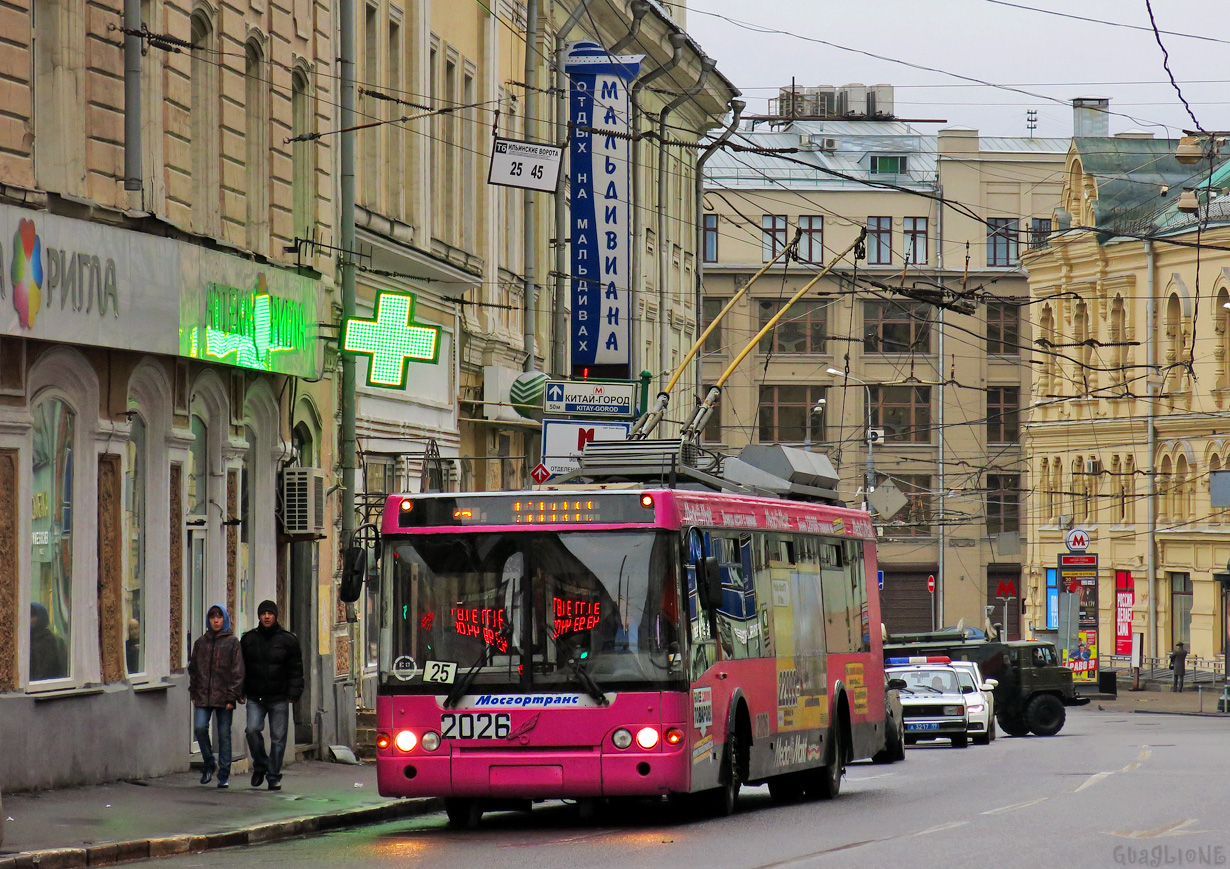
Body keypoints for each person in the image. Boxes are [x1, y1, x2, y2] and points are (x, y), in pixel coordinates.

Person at [242, 599, 303, 791]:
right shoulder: (249, 639)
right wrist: (240, 690)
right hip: (255, 695)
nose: (266, 616)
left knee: (278, 738)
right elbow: (241, 668)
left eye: (270, 613)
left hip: (279, 697)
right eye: (263, 613)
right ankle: (260, 765)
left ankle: (274, 775)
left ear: (276, 615)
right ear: (259, 616)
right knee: (252, 730)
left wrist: (293, 694)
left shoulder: (288, 640)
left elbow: (296, 670)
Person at [188, 603, 244, 788]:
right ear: (208, 620)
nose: (216, 620)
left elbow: (237, 671)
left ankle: (224, 774)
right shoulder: (200, 643)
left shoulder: (232, 642)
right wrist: (194, 692)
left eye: (219, 617)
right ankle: (209, 763)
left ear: (225, 619)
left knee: (223, 734)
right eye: (212, 617)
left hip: (224, 696)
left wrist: (232, 697)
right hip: (203, 695)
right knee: (200, 728)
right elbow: (193, 669)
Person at [29, 602, 67, 682]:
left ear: (41, 618)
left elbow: (44, 670)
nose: (29, 620)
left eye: (32, 616)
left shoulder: (47, 640)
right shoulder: (26, 639)